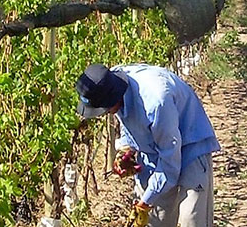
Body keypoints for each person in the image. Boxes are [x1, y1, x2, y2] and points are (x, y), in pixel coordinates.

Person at [76, 63, 221, 227]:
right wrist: (127, 149)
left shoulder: (156, 101)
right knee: (155, 221)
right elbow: (127, 118)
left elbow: (170, 164)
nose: (106, 113)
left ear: (112, 98)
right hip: (153, 151)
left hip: (191, 146)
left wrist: (144, 203)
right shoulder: (112, 83)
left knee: (192, 220)